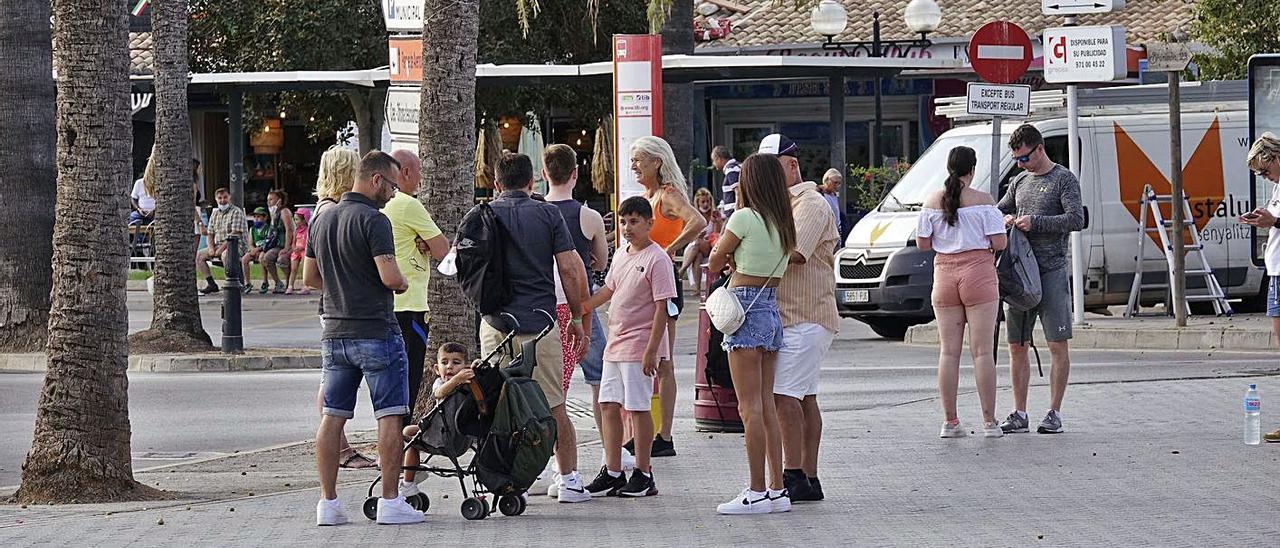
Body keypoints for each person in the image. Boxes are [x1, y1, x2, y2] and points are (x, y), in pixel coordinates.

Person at [305, 150, 421, 526]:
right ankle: (389, 501)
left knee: (332, 416)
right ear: (375, 180)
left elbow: (310, 278)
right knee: (389, 414)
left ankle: (328, 503)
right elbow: (390, 277)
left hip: (335, 333)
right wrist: (402, 282)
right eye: (390, 185)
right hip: (375, 330)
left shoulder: (322, 220)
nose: (392, 192)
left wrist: (342, 286)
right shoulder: (375, 220)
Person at [479, 152, 593, 503]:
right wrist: (576, 318)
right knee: (553, 403)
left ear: (497, 184)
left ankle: (499, 478)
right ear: (532, 182)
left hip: (495, 325)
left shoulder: (482, 215)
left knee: (497, 405)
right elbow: (570, 270)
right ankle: (570, 480)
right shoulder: (548, 214)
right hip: (540, 325)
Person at [707, 153, 796, 515]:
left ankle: (756, 490)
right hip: (771, 308)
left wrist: (727, 257)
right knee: (767, 406)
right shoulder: (784, 223)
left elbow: (714, 261)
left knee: (749, 409)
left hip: (744, 307)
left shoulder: (743, 217)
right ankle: (777, 489)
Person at [762, 134, 839, 504]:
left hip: (806, 313)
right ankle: (809, 478)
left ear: (791, 166)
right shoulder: (777, 204)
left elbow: (795, 253)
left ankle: (792, 473)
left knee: (783, 397)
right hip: (791, 315)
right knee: (804, 397)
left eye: (770, 170)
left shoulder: (809, 203)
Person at [581, 196, 675, 498]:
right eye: (623, 221)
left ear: (649, 223)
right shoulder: (621, 253)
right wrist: (582, 308)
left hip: (639, 344)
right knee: (608, 405)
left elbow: (663, 307)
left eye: (634, 221)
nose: (627, 227)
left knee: (637, 407)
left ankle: (644, 473)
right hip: (615, 343)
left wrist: (652, 350)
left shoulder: (658, 259)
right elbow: (609, 289)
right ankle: (613, 470)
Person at [997, 124, 1086, 435]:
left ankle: (1054, 412)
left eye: (1024, 158)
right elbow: (998, 211)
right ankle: (1019, 412)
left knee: (1056, 344)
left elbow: (1076, 219)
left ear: (1039, 149)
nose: (1020, 164)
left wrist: (1035, 222)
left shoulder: (1063, 179)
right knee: (1016, 344)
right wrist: (1005, 218)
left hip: (1050, 270)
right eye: (1016, 160)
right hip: (1019, 273)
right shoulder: (1019, 181)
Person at [915, 146, 1008, 439]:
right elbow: (1000, 242)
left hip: (944, 276)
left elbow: (923, 244)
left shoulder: (931, 201)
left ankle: (950, 422)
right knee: (982, 353)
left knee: (948, 352)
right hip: (979, 273)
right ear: (972, 169)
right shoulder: (984, 201)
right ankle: (990, 423)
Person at [629, 136, 706, 458]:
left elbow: (698, 221)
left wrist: (669, 250)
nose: (633, 165)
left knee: (663, 360)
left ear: (656, 162)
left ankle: (664, 434)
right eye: (632, 160)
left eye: (638, 160)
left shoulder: (668, 196)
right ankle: (649, 430)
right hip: (643, 283)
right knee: (645, 358)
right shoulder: (648, 197)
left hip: (662, 282)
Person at [309, 146, 374, 469]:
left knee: (334, 379)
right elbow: (314, 274)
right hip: (338, 306)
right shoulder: (329, 212)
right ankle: (340, 448)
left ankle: (339, 445)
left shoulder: (327, 208)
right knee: (332, 382)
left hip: (334, 304)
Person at [542, 144, 609, 425]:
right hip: (580, 304)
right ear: (576, 173)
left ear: (544, 173)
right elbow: (601, 264)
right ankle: (611, 448)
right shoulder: (590, 217)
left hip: (544, 302)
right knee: (601, 377)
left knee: (553, 383)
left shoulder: (536, 211)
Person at [383, 149, 449, 425]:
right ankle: (401, 447)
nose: (421, 179)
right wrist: (426, 243)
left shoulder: (380, 205)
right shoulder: (409, 204)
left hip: (386, 306)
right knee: (408, 381)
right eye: (419, 172)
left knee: (389, 381)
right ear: (405, 172)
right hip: (410, 305)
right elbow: (444, 249)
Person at [1239, 133, 1280, 443]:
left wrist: (1274, 223)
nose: (1264, 178)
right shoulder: (1278, 188)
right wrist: (1263, 220)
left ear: (1274, 158)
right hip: (1276, 273)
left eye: (1264, 171)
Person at [399, 342, 476, 499]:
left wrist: (473, 370)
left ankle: (408, 484)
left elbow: (440, 393)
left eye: (456, 363)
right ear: (436, 368)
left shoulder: (462, 384)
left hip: (444, 438)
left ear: (466, 367)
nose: (449, 367)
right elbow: (439, 392)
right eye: (444, 362)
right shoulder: (440, 383)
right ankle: (415, 471)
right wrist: (458, 379)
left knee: (408, 434)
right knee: (411, 431)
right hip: (459, 438)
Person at [196, 187, 246, 295]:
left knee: (225, 255)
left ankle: (232, 283)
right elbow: (210, 233)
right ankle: (211, 284)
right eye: (220, 198)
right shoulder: (215, 213)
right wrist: (211, 248)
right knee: (199, 255)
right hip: (217, 244)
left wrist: (220, 249)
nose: (222, 200)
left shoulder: (236, 212)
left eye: (225, 197)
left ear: (229, 198)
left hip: (236, 245)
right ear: (216, 199)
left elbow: (235, 234)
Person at [681, 188, 724, 295]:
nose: (705, 204)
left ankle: (682, 270)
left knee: (698, 244)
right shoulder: (694, 217)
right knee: (698, 256)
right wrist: (697, 236)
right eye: (703, 202)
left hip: (710, 245)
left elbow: (717, 235)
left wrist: (716, 222)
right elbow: (688, 235)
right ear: (698, 202)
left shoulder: (715, 214)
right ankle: (697, 289)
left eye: (707, 201)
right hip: (697, 246)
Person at [262, 190, 295, 294]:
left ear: (279, 200)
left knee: (282, 259)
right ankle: (278, 282)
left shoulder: (284, 212)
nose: (269, 202)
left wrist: (286, 248)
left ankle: (289, 282)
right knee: (266, 258)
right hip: (276, 244)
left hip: (286, 243)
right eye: (268, 200)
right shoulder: (274, 213)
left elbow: (289, 230)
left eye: (271, 199)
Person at [241, 207, 278, 295]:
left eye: (259, 217)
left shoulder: (268, 229)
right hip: (254, 249)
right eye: (255, 217)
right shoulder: (252, 229)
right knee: (244, 259)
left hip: (263, 249)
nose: (256, 219)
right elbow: (250, 243)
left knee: (262, 258)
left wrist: (259, 249)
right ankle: (247, 282)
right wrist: (253, 249)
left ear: (265, 218)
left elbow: (268, 242)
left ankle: (265, 281)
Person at [285, 207, 312, 295]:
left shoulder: (308, 230)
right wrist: (293, 247)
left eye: (297, 219)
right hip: (296, 251)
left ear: (304, 220)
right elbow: (293, 242)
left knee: (305, 268)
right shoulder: (296, 231)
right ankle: (290, 286)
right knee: (293, 269)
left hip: (304, 250)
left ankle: (305, 286)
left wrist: (302, 248)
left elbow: (309, 242)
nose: (295, 221)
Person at [712, 145, 741, 219]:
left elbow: (738, 190)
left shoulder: (731, 169)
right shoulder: (737, 166)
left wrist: (737, 210)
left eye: (714, 160)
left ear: (719, 158)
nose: (714, 164)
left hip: (733, 214)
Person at [820, 168, 845, 237]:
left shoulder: (835, 195)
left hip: (836, 233)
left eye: (839, 183)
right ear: (827, 180)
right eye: (835, 183)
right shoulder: (819, 194)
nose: (837, 186)